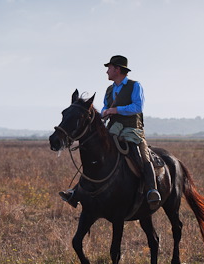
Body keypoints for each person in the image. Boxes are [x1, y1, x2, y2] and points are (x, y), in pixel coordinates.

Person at [59, 55, 162, 209]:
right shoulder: (109, 89)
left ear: (117, 69)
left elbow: (138, 107)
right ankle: (76, 192)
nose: (107, 71)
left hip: (132, 130)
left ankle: (152, 191)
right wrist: (104, 113)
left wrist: (115, 110)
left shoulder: (135, 86)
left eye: (109, 68)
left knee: (142, 156)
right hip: (113, 129)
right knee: (94, 156)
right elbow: (105, 109)